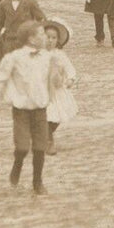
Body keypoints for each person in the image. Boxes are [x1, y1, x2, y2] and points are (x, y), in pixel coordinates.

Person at [0, 19, 70, 194]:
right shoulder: (14, 58)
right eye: (42, 34)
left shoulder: (49, 58)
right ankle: (17, 165)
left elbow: (56, 82)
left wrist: (58, 72)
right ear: (31, 39)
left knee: (40, 147)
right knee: (22, 146)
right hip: (21, 111)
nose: (46, 38)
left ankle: (37, 181)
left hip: (41, 110)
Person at [43, 18, 78, 155]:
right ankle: (49, 142)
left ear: (58, 40)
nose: (50, 40)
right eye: (47, 37)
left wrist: (70, 79)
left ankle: (44, 135)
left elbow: (70, 69)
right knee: (45, 115)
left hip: (57, 90)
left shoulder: (60, 55)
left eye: (53, 38)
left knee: (56, 116)